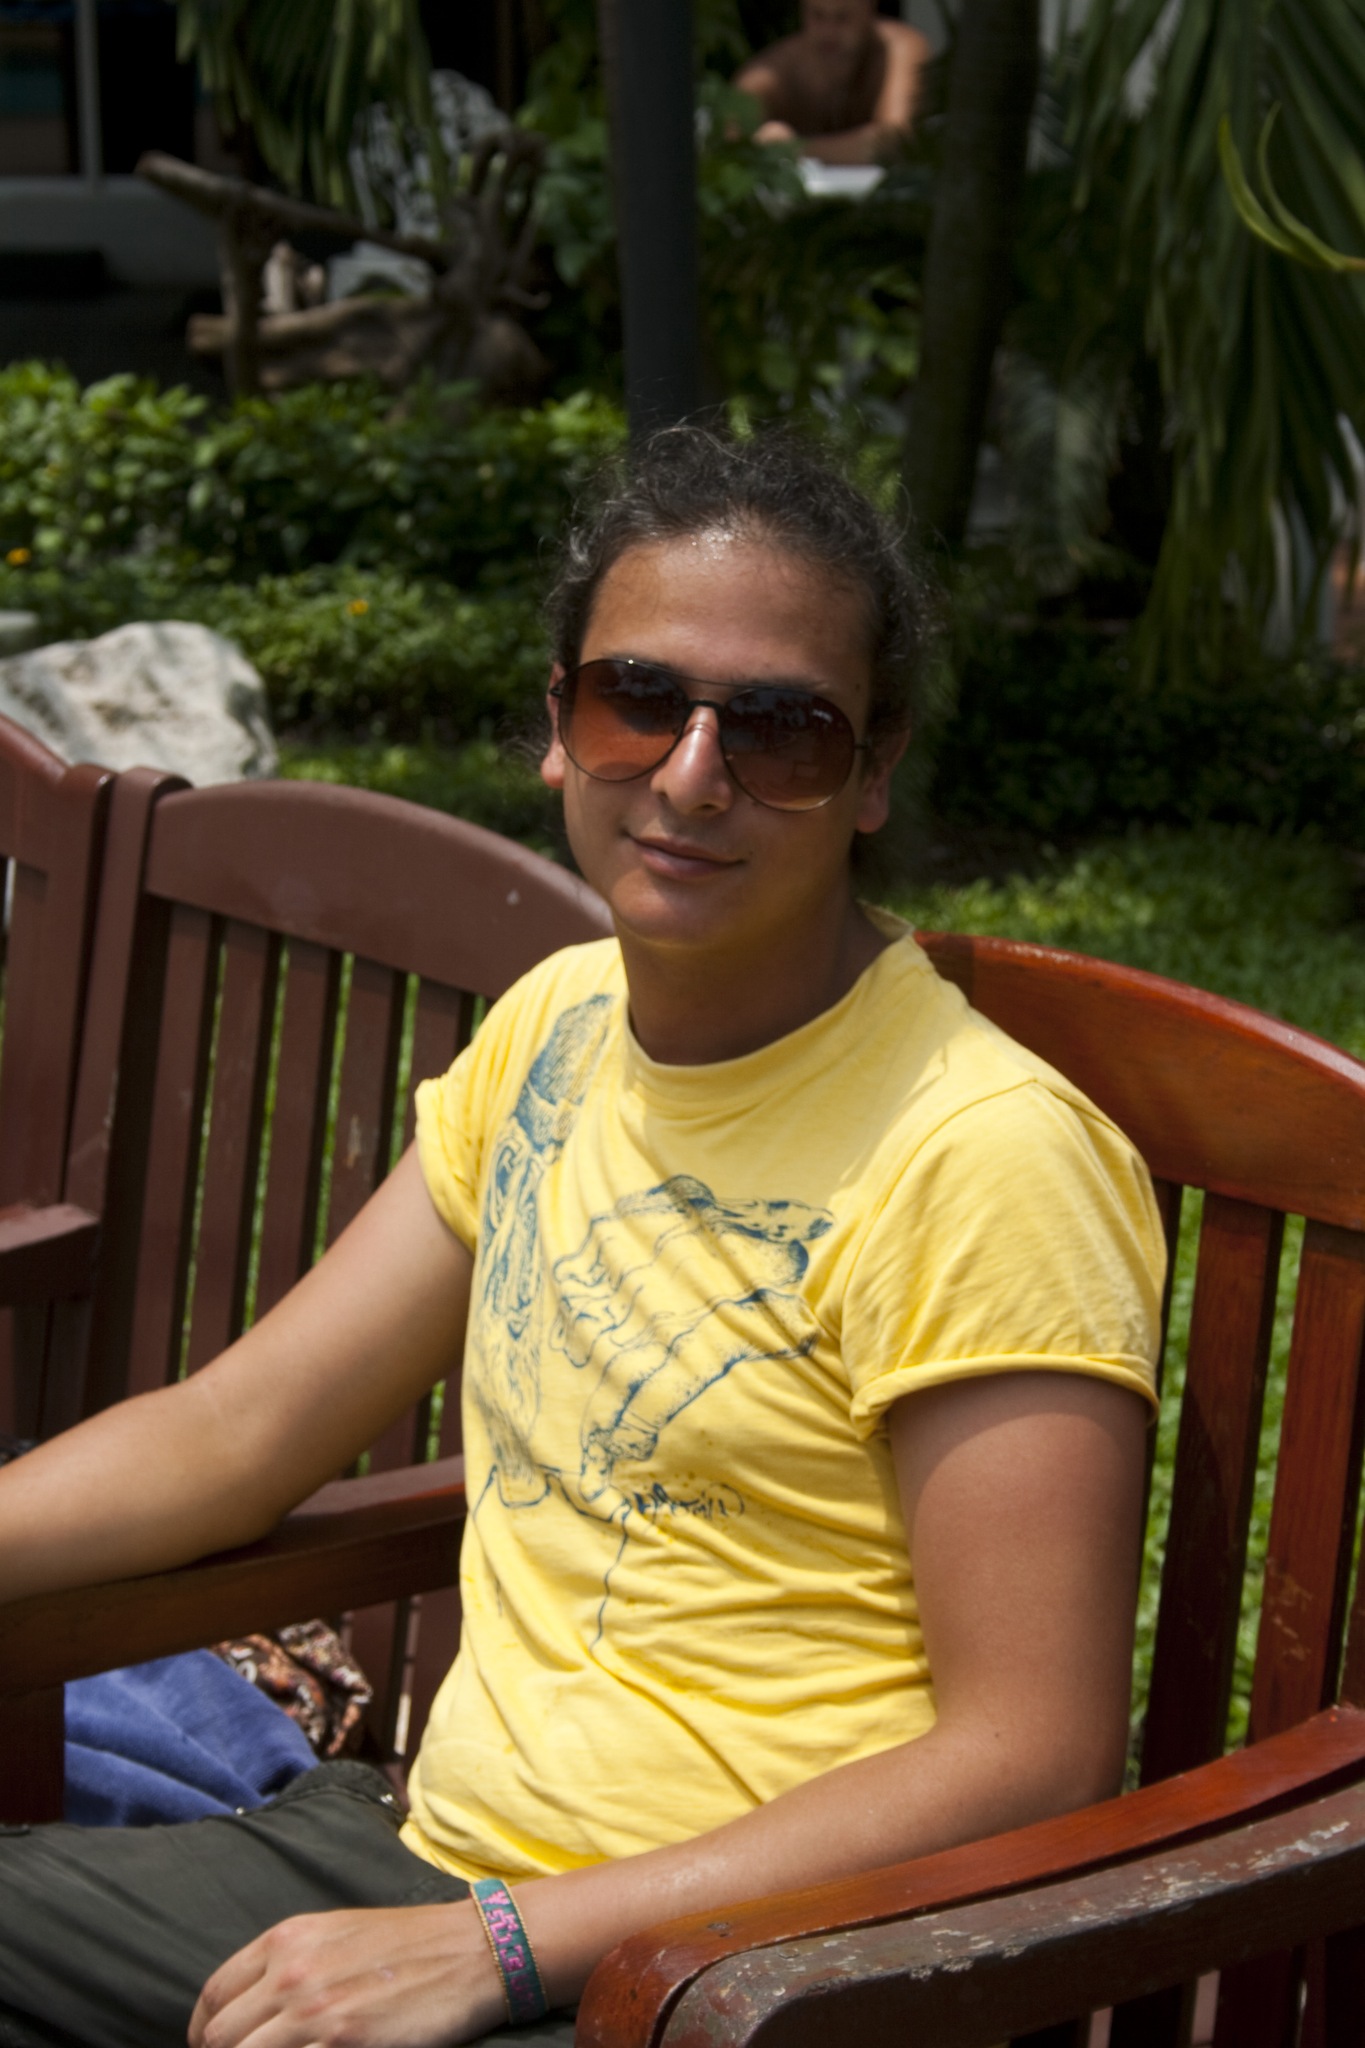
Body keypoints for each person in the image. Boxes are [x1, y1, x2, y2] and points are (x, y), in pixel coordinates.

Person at [0, 428, 1164, 2048]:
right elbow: (236, 1431)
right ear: (559, 725)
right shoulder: (559, 1027)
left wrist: (496, 1944)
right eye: (639, 700)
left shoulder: (985, 1152)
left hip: (744, 1973)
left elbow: (1034, 1750)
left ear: (873, 771)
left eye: (783, 729)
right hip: (425, 1867)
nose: (692, 775)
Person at [736, 0, 930, 165]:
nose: (829, 32)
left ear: (870, 8)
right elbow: (731, 139)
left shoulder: (898, 49)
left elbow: (895, 140)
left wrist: (795, 149)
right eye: (817, 15)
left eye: (842, 17)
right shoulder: (773, 74)